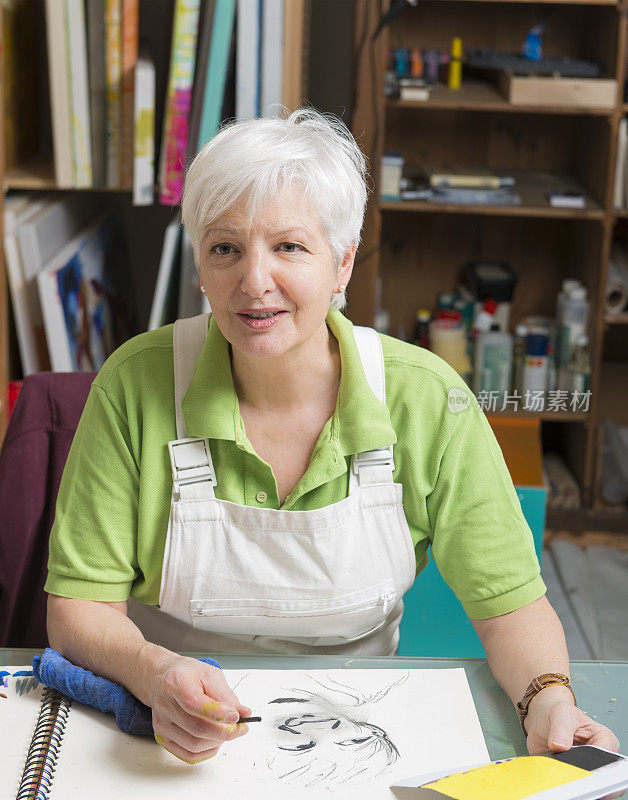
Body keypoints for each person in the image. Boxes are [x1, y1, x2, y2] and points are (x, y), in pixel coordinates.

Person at [45, 107, 619, 769]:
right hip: (165, 737)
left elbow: (509, 608)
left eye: (289, 247)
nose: (254, 281)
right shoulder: (133, 385)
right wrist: (153, 671)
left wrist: (548, 701)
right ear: (200, 265)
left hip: (356, 739)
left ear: (342, 262)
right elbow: (78, 608)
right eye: (225, 248)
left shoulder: (426, 399)